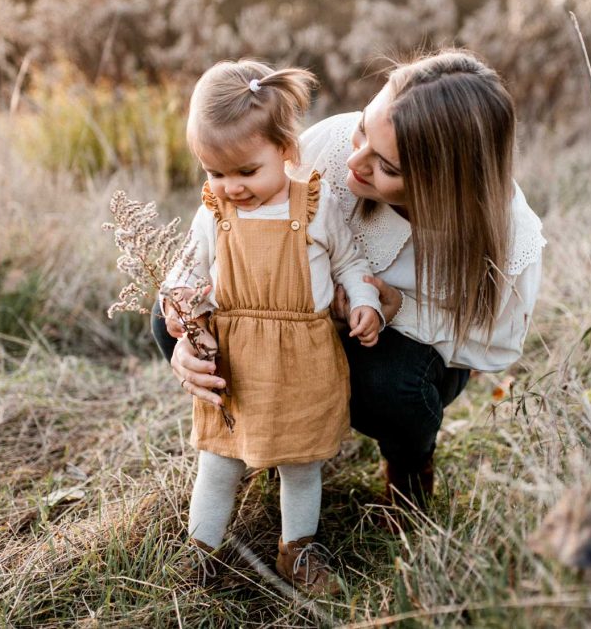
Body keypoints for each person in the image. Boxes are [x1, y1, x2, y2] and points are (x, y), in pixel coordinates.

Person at [158, 48, 546, 514]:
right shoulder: (332, 145)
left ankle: (409, 464)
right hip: (297, 325)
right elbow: (225, 215)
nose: (354, 161)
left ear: (441, 184)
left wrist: (395, 307)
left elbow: (498, 344)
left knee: (387, 380)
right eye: (364, 127)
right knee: (174, 319)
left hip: (403, 352)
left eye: (386, 166)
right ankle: (263, 438)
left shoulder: (504, 232)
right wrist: (187, 329)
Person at [159, 59, 383, 594]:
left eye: (246, 171)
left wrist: (365, 301)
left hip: (302, 356)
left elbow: (350, 262)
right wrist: (177, 303)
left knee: (301, 462)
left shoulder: (315, 202)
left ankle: (296, 551)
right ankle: (203, 549)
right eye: (215, 173)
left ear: (286, 150)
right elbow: (184, 270)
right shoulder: (213, 212)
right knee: (219, 460)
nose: (230, 187)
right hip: (235, 355)